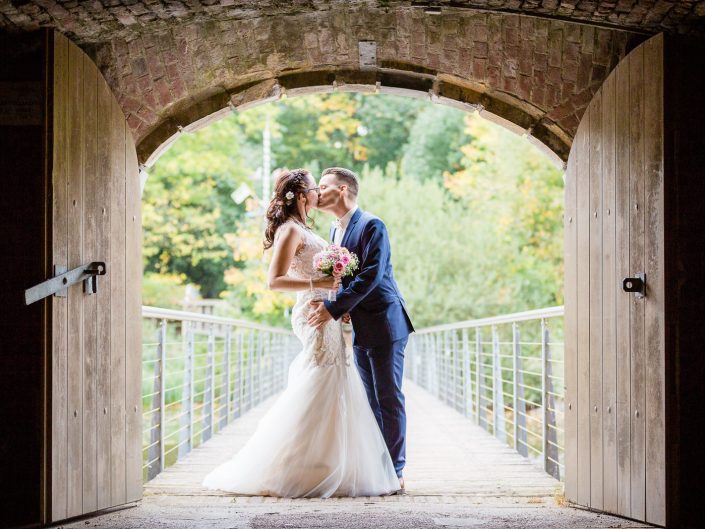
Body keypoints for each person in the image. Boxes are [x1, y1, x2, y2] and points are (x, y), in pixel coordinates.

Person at [202, 168, 400, 497]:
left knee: (333, 380)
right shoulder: (290, 230)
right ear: (302, 195)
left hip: (331, 312)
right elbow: (274, 280)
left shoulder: (311, 228)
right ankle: (297, 464)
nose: (318, 194)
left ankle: (326, 461)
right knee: (320, 376)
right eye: (314, 188)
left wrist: (339, 300)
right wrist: (318, 284)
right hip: (314, 310)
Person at [307, 167, 414, 492]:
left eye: (322, 187)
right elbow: (343, 278)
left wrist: (333, 308)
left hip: (385, 322)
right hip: (359, 326)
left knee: (388, 398)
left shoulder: (372, 224)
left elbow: (372, 274)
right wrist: (336, 303)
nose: (317, 193)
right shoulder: (333, 229)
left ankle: (395, 471)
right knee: (370, 400)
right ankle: (379, 467)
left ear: (341, 190)